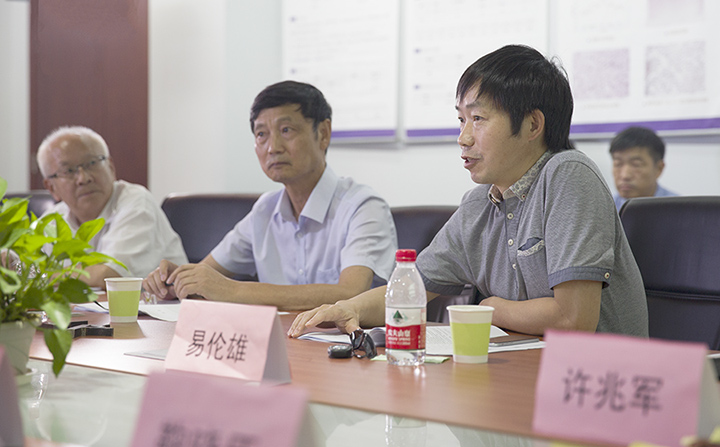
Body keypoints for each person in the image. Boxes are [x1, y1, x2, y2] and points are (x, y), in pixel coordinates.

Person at [289, 45, 648, 339]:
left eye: (478, 119)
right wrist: (349, 308)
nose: (463, 138)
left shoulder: (568, 175)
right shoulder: (479, 205)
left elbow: (573, 319)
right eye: (461, 120)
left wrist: (490, 308)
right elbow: (411, 289)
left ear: (532, 124)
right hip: (520, 376)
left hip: (597, 386)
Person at [143, 80, 397, 311]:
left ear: (323, 134)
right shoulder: (265, 210)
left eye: (286, 130)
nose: (273, 148)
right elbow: (207, 275)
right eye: (261, 134)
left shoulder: (363, 207)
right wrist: (176, 281)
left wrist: (233, 290)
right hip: (278, 340)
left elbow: (352, 293)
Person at [37, 126, 188, 288]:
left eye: (91, 163)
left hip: (163, 304)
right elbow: (24, 271)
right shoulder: (53, 219)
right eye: (68, 171)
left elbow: (110, 275)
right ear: (51, 187)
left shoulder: (136, 202)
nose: (83, 178)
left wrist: (47, 275)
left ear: (110, 167)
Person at [610, 126, 677, 211]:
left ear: (659, 168)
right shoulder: (606, 208)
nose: (625, 175)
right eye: (618, 164)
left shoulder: (678, 209)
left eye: (636, 165)